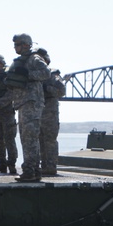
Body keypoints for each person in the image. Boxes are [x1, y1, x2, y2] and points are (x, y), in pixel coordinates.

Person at [6, 33, 50, 182]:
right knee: (27, 138)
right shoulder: (18, 61)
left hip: (31, 103)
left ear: (26, 44)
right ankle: (35, 171)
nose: (15, 47)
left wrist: (28, 74)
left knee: (29, 138)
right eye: (14, 45)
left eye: (18, 44)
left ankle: (29, 171)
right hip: (22, 103)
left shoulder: (34, 59)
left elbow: (46, 73)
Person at [35, 48, 66, 177]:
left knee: (49, 140)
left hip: (49, 113)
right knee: (39, 140)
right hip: (37, 111)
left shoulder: (53, 75)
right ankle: (44, 165)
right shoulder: (34, 75)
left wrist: (46, 88)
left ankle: (51, 166)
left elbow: (61, 91)